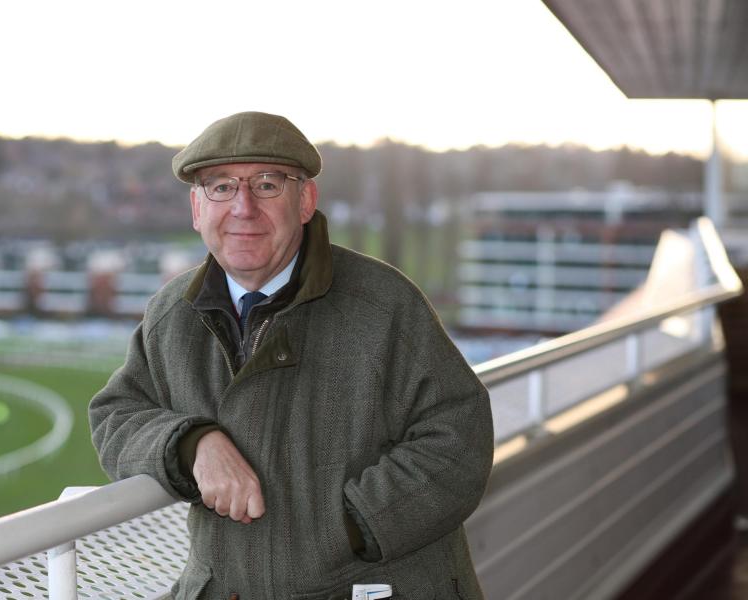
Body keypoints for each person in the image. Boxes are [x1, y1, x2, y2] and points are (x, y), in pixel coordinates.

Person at [89, 111, 493, 599]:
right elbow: (115, 415)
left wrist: (349, 525)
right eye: (220, 187)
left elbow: (459, 435)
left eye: (266, 185)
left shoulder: (383, 304)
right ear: (197, 209)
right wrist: (192, 443)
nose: (243, 208)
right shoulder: (171, 315)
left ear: (305, 200)